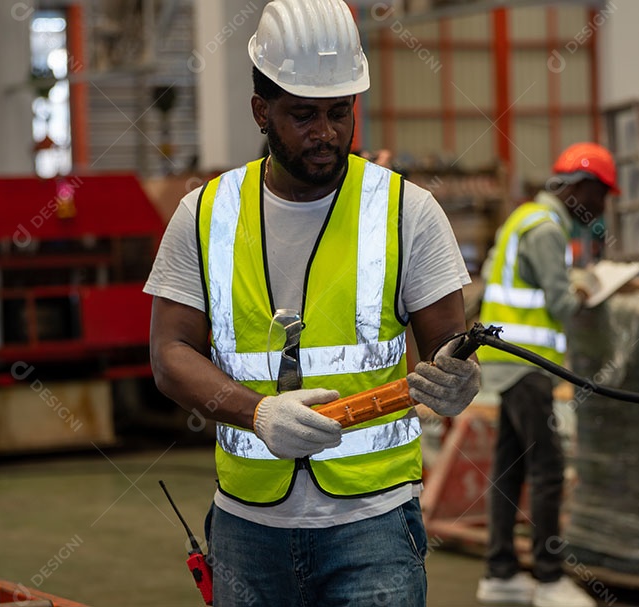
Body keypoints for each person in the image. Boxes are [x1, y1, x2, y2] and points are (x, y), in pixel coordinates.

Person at [145, 1, 481, 605]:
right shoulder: (205, 214)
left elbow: (448, 349)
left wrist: (459, 380)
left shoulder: (407, 211)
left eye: (339, 112)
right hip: (249, 528)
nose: (324, 133)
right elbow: (170, 353)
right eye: (302, 115)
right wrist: (259, 414)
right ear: (260, 111)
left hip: (374, 528)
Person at [475, 143, 619, 607]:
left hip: (511, 360)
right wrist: (589, 287)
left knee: (510, 464)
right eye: (603, 197)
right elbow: (558, 304)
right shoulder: (547, 228)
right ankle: (550, 578)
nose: (603, 209)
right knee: (549, 467)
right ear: (582, 188)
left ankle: (500, 572)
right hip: (525, 363)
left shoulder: (526, 218)